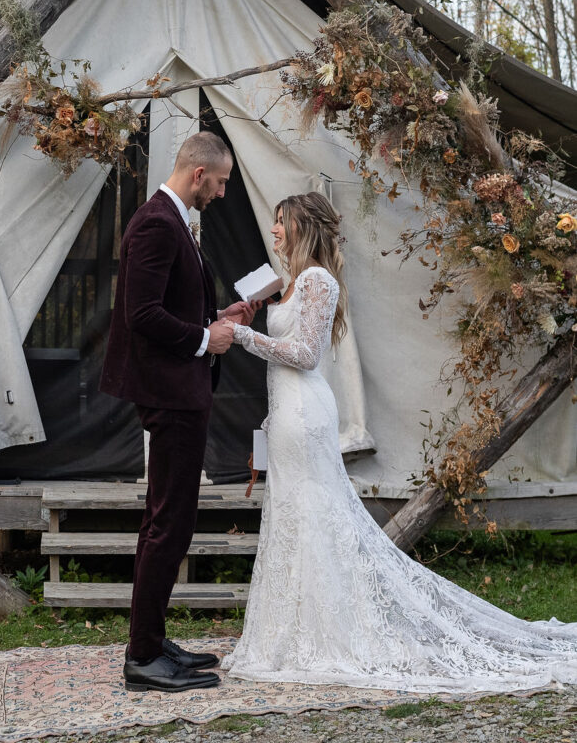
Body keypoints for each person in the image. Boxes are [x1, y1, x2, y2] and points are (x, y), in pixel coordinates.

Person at [221, 191, 577, 692]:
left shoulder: (319, 279)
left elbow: (305, 354)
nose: (274, 231)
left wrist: (242, 338)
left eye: (281, 224)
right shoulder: (293, 283)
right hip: (286, 416)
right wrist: (252, 322)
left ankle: (327, 631)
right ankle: (296, 628)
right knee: (294, 519)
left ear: (303, 228)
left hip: (306, 416)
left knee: (314, 518)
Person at [100, 131, 257, 693]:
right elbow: (141, 315)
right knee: (170, 522)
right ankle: (142, 657)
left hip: (181, 389)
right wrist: (203, 339)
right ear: (198, 174)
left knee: (168, 519)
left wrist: (219, 316)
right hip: (170, 393)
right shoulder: (155, 224)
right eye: (220, 182)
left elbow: (169, 303)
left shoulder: (174, 222)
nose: (220, 192)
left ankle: (151, 639)